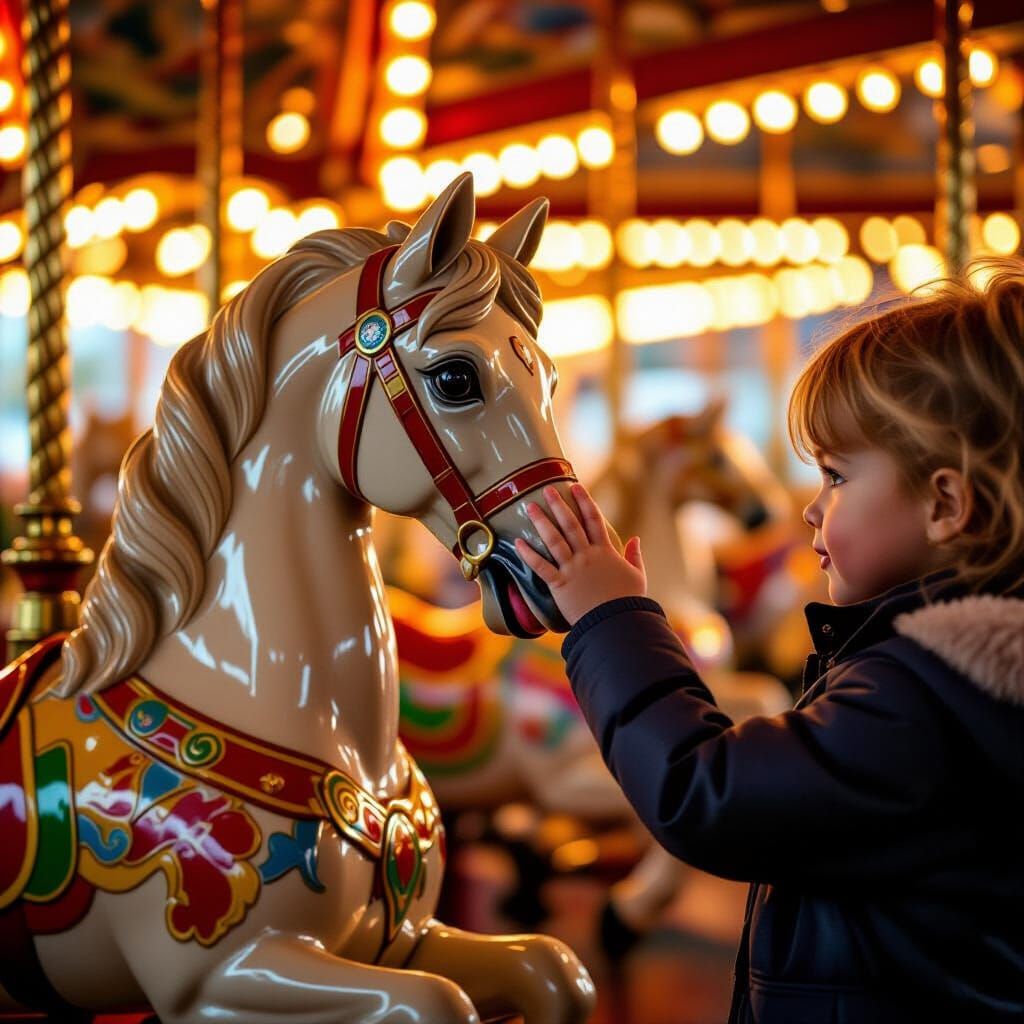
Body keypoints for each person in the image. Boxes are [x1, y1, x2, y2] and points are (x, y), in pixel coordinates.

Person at [515, 261, 1024, 1024]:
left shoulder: (926, 697)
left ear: (946, 503)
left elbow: (707, 794)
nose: (812, 510)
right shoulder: (949, 681)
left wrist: (612, 619)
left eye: (836, 477)